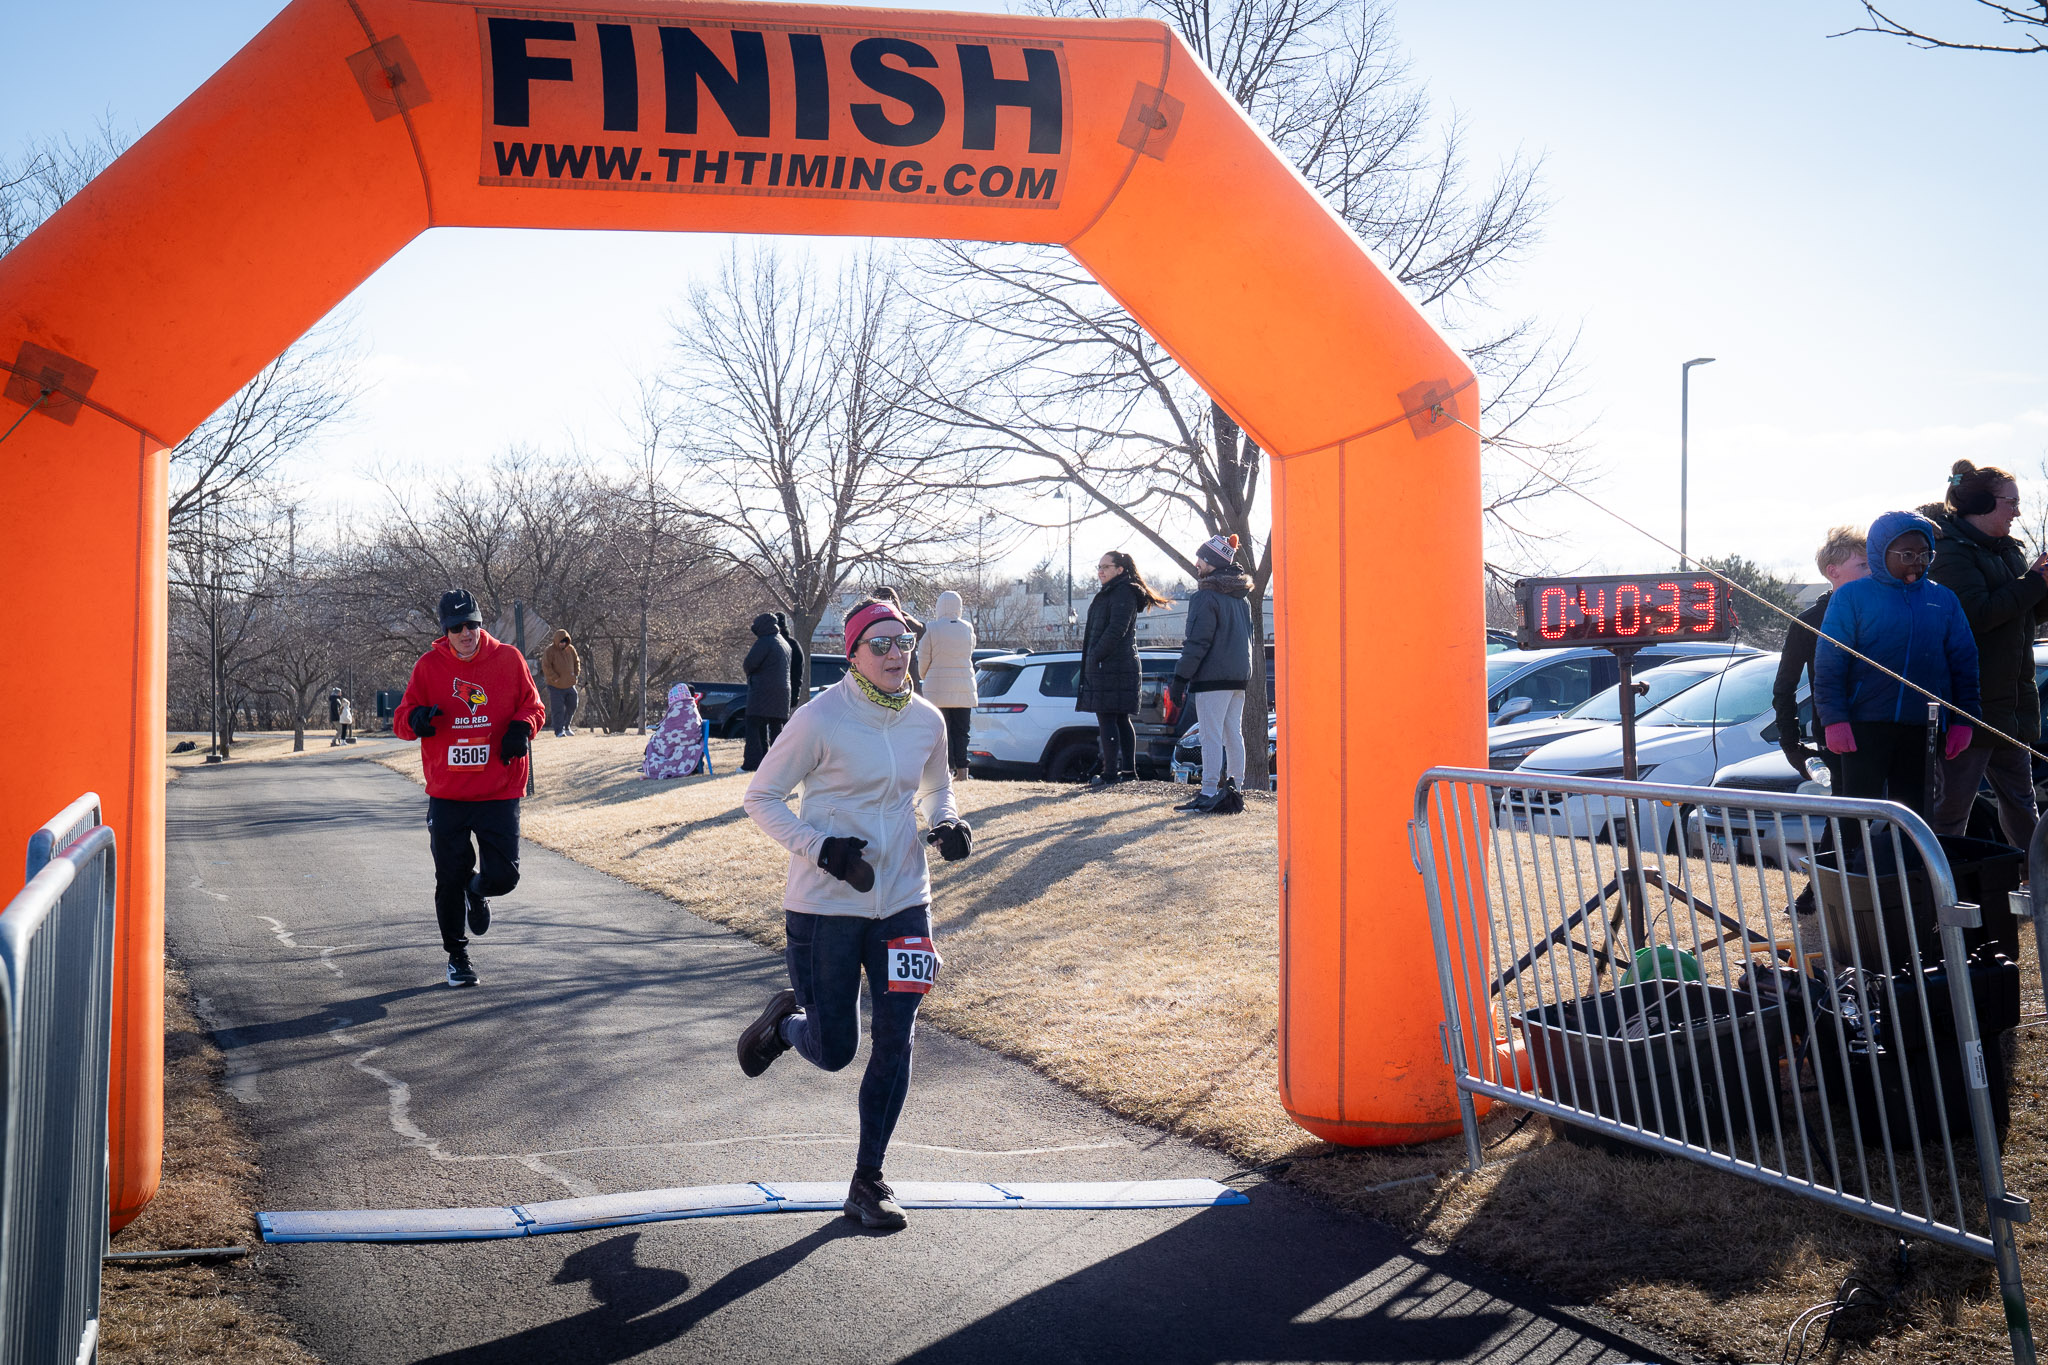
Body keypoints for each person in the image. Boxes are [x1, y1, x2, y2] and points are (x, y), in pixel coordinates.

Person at [736, 598, 971, 1231]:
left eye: (903, 643)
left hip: (904, 900)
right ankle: (786, 1025)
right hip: (827, 905)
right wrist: (820, 847)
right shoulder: (820, 717)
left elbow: (936, 786)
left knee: (897, 1036)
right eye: (881, 645)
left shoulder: (926, 719)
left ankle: (869, 1179)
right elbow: (761, 797)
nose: (896, 655)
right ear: (854, 654)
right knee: (835, 1049)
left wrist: (946, 821)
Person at [392, 589, 545, 987]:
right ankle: (457, 956)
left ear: (480, 624)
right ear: (445, 631)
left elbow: (534, 706)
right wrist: (417, 720)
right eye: (457, 627)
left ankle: (476, 890)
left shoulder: (508, 659)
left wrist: (521, 728)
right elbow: (402, 720)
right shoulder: (428, 667)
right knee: (448, 876)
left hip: (499, 789)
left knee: (504, 877)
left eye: (472, 625)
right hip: (448, 794)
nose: (466, 634)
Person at [1814, 512, 1981, 818]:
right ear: (1881, 552)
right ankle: (1854, 851)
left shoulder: (1943, 599)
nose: (1917, 563)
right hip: (1864, 725)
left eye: (1925, 554)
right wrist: (1834, 719)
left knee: (1912, 816)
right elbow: (1829, 663)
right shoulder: (1852, 596)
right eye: (1907, 555)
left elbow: (1964, 663)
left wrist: (1963, 720)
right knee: (1858, 815)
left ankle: (1906, 853)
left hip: (1922, 727)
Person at [1926, 461, 2048, 847]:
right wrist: (2033, 582)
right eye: (2011, 503)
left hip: (2010, 706)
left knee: (2022, 804)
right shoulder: (1949, 553)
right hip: (1969, 708)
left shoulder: (2008, 551)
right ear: (1980, 504)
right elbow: (1977, 615)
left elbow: (2023, 614)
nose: (2018, 513)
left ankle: (2037, 878)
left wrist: (2043, 586)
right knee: (1952, 809)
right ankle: (1939, 880)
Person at [1773, 526, 1868, 790]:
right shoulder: (1809, 622)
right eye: (1862, 565)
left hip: (1883, 732)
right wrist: (1791, 745)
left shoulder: (1883, 612)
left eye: (1873, 563)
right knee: (1848, 809)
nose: (1871, 571)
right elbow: (1784, 687)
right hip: (1834, 738)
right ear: (1833, 571)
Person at [1171, 534, 1254, 814]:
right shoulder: (1242, 599)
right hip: (1238, 677)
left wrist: (1180, 677)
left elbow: (1197, 642)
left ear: (1213, 563)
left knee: (1210, 735)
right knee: (1233, 734)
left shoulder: (1205, 597)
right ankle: (1235, 790)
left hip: (1212, 678)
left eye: (1201, 559)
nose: (1197, 563)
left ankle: (1208, 792)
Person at [1078, 550, 1171, 788]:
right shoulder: (1113, 591)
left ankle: (1112, 773)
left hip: (1114, 665)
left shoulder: (1123, 592)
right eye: (1099, 567)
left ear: (1120, 569)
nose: (1100, 571)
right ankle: (1127, 772)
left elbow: (1116, 629)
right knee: (1118, 717)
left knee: (1109, 716)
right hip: (1113, 664)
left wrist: (1096, 655)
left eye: (1105, 567)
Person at [922, 591, 979, 779]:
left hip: (938, 688)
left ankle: (947, 769)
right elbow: (970, 652)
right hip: (964, 687)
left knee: (942, 731)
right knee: (962, 731)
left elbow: (924, 658)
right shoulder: (968, 628)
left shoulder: (932, 628)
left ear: (939, 607)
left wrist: (925, 676)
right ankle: (963, 770)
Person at [741, 613, 793, 771]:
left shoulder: (765, 641)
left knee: (754, 726)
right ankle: (778, 763)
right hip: (783, 693)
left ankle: (753, 763)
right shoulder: (784, 643)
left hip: (762, 691)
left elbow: (749, 664)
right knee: (777, 729)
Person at [641, 682, 707, 780]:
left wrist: (658, 733)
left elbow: (666, 731)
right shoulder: (692, 708)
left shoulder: (677, 711)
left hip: (680, 743)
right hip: (693, 741)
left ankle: (655, 768)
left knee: (653, 743)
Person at [868, 586, 926, 688]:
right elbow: (921, 629)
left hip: (882, 680)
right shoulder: (906, 621)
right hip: (910, 678)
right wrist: (900, 612)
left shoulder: (872, 624)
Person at [541, 629, 581, 737]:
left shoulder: (571, 649)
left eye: (565, 641)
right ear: (557, 640)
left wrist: (576, 674)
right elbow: (546, 666)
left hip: (569, 684)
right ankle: (559, 731)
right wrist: (554, 678)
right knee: (558, 709)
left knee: (573, 704)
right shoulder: (549, 651)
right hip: (555, 686)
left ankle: (566, 726)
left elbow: (576, 661)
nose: (563, 644)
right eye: (561, 641)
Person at [776, 612, 806, 711]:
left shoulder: (770, 645)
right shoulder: (793, 644)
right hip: (788, 692)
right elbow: (798, 672)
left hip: (775, 694)